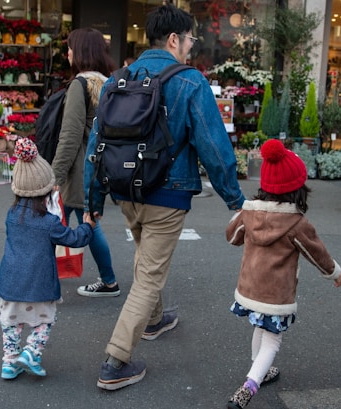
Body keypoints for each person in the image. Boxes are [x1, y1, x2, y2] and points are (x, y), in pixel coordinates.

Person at [83, 3, 245, 390]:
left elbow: (97, 143)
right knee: (149, 276)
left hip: (125, 191)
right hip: (167, 195)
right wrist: (236, 201)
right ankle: (116, 360)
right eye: (189, 39)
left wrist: (93, 200)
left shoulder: (117, 79)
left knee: (145, 259)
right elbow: (214, 147)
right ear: (174, 39)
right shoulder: (190, 81)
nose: (191, 46)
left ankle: (154, 320)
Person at [225, 139, 341, 409]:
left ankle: (260, 371)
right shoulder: (296, 222)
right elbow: (319, 255)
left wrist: (243, 211)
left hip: (249, 289)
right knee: (272, 341)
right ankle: (248, 387)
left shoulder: (250, 214)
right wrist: (336, 273)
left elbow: (231, 237)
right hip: (276, 295)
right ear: (299, 189)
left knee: (259, 327)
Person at [0, 138, 96, 380]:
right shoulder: (49, 223)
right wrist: (88, 226)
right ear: (46, 189)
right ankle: (31, 352)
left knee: (10, 323)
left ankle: (10, 362)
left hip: (10, 283)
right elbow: (74, 239)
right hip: (39, 285)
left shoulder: (11, 215)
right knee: (44, 321)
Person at [51, 27, 120, 297]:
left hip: (78, 168)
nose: (67, 52)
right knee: (80, 221)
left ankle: (108, 280)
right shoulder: (108, 83)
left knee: (63, 223)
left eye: (70, 47)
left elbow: (70, 136)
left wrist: (54, 176)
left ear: (79, 52)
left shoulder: (80, 85)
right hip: (98, 166)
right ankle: (107, 280)